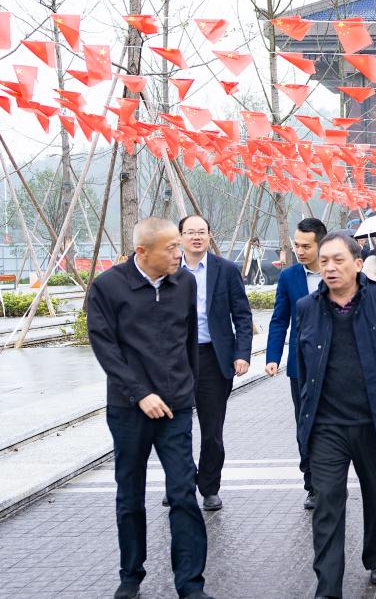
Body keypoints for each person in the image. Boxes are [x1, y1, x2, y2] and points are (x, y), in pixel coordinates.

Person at [87, 217, 213, 599]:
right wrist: (139, 392)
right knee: (129, 493)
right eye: (171, 248)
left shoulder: (184, 282)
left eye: (179, 245)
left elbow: (189, 338)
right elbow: (105, 347)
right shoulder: (108, 287)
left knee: (182, 493)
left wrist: (186, 389)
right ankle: (131, 574)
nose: (180, 253)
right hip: (129, 409)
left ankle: (190, 584)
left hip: (175, 407)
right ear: (142, 252)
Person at [294, 232, 376, 596]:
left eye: (338, 260)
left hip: (373, 420)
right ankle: (328, 587)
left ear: (357, 262)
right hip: (326, 425)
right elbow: (304, 367)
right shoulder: (307, 307)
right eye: (324, 262)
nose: (330, 268)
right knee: (327, 504)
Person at [177, 215, 253, 512]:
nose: (196, 237)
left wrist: (241, 354)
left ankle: (209, 487)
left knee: (211, 430)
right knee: (176, 427)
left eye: (201, 232)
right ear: (181, 236)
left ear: (209, 235)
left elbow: (243, 316)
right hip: (176, 359)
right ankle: (180, 483)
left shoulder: (226, 270)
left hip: (213, 358)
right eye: (190, 232)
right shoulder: (169, 269)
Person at [266, 217, 328, 510]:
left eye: (306, 246)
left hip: (335, 364)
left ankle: (330, 477)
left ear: (321, 245)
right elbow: (280, 319)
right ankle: (312, 483)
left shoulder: (336, 272)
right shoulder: (289, 277)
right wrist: (272, 357)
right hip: (300, 366)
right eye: (297, 245)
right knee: (305, 423)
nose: (300, 250)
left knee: (330, 424)